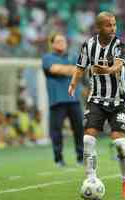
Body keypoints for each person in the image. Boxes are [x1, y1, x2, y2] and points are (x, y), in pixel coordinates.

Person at [68, 12, 125, 199]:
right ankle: (91, 179)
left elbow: (118, 66)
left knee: (119, 144)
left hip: (118, 100)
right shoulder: (88, 45)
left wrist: (106, 69)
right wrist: (73, 83)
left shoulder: (120, 45)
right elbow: (80, 67)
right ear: (98, 28)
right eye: (108, 25)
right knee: (88, 139)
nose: (113, 28)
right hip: (96, 98)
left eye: (114, 25)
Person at [42, 32, 84, 167]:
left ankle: (81, 157)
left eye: (63, 41)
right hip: (57, 100)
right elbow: (54, 69)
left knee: (79, 129)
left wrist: (68, 70)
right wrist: (72, 70)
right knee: (56, 131)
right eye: (58, 41)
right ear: (52, 44)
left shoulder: (73, 56)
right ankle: (58, 159)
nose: (62, 43)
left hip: (74, 99)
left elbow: (81, 70)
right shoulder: (47, 57)